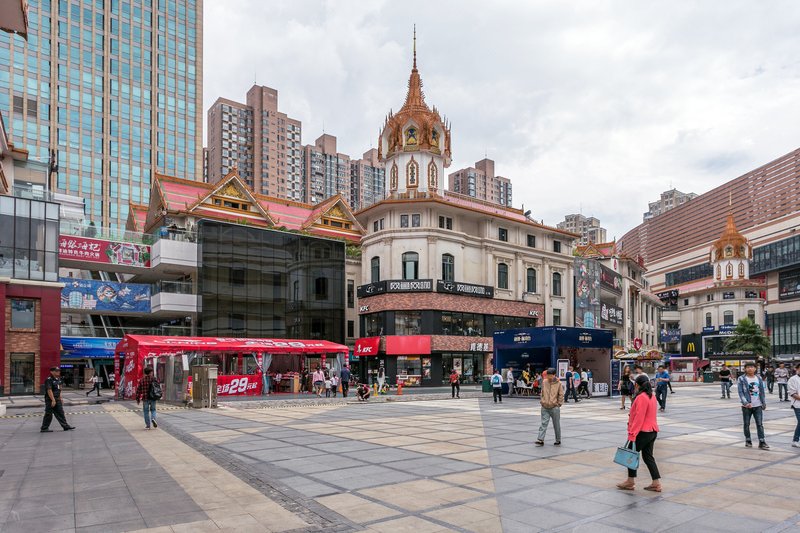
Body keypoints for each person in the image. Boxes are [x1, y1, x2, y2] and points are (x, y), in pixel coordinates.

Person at [617, 374, 661, 492]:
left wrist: (632, 433)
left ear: (637, 384)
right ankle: (656, 483)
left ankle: (630, 481)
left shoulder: (641, 397)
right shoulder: (652, 397)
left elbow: (639, 417)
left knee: (630, 455)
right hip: (652, 431)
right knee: (648, 457)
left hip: (642, 432)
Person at [737, 362, 769, 449]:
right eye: (748, 367)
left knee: (759, 424)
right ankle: (748, 440)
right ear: (745, 369)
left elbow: (762, 391)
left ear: (755, 368)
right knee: (746, 424)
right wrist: (746, 403)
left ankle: (762, 441)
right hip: (746, 406)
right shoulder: (741, 379)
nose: (750, 369)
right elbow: (740, 392)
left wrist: (763, 403)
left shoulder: (759, 378)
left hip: (758, 405)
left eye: (752, 367)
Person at [40, 367, 75, 432]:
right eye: (56, 371)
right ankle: (44, 428)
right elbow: (49, 390)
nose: (58, 372)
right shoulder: (49, 380)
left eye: (59, 371)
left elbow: (59, 389)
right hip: (50, 399)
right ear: (52, 372)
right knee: (49, 414)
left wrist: (60, 398)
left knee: (61, 412)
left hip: (57, 398)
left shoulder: (59, 379)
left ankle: (65, 426)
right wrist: (53, 400)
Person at [536, 368, 564, 446]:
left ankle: (558, 440)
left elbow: (561, 394)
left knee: (556, 424)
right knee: (543, 423)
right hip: (545, 406)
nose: (548, 377)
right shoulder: (545, 382)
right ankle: (540, 439)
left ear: (554, 375)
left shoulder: (559, 383)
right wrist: (542, 401)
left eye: (550, 375)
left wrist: (559, 404)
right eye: (547, 375)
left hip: (554, 407)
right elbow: (542, 392)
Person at [788, 362, 800, 448]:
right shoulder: (793, 379)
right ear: (797, 369)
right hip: (798, 405)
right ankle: (795, 440)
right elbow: (792, 393)